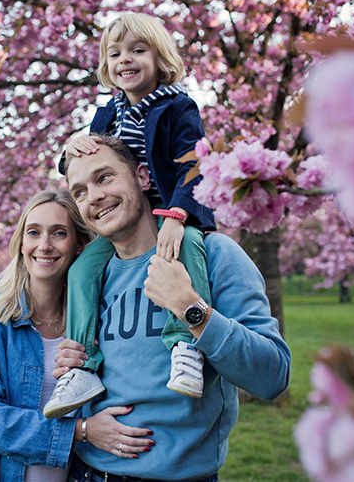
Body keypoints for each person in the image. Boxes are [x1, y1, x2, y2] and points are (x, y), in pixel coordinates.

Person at [56, 137, 291, 481]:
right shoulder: (88, 278)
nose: (94, 197)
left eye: (104, 177)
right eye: (79, 192)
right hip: (87, 472)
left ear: (142, 177)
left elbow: (273, 376)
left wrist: (191, 309)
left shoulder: (215, 255)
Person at [45, 12, 217, 419]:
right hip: (125, 216)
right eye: (115, 52)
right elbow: (75, 163)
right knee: (82, 270)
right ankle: (85, 366)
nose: (126, 59)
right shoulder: (107, 114)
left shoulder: (178, 106)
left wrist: (176, 216)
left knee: (186, 248)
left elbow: (193, 163)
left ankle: (185, 345)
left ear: (160, 58)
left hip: (171, 208)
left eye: (138, 50)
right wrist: (73, 145)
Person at [0, 189, 154, 482]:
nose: (44, 245)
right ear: (20, 243)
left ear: (80, 245)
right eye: (33, 232)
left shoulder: (94, 320)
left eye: (58, 233)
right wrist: (82, 431)